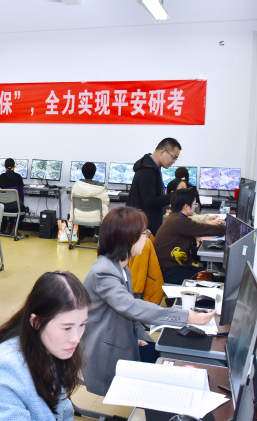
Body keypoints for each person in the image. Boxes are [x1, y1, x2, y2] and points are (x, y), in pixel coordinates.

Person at [81, 206, 215, 396]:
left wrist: (140, 337)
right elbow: (132, 307)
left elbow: (128, 313)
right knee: (173, 367)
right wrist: (187, 317)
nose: (148, 237)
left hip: (125, 341)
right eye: (144, 232)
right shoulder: (103, 272)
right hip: (107, 354)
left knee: (170, 357)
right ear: (128, 238)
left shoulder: (120, 266)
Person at [0, 271, 90, 421]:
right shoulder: (4, 369)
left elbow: (62, 411)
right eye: (67, 328)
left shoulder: (50, 349)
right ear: (36, 322)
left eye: (82, 324)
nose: (76, 338)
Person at [154, 189, 226, 285]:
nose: (195, 207)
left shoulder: (175, 217)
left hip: (172, 267)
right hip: (170, 271)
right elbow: (203, 228)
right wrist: (226, 228)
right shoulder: (179, 221)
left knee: (210, 275)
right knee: (211, 280)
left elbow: (195, 228)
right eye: (194, 204)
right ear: (186, 206)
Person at [126, 137, 181, 235]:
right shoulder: (147, 171)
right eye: (174, 157)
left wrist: (165, 203)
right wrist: (175, 196)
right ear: (163, 151)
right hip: (143, 227)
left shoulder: (153, 168)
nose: (174, 161)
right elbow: (149, 201)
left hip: (146, 223)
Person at [70, 162, 110, 237]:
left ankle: (79, 235)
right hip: (96, 217)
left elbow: (72, 199)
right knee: (102, 209)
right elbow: (106, 202)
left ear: (82, 172)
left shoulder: (76, 186)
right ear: (94, 172)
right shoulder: (100, 188)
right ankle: (97, 234)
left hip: (78, 216)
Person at [0, 158, 26, 235]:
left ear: (5, 166)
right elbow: (21, 193)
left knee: (11, 206)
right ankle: (14, 228)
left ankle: (8, 226)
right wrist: (21, 204)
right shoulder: (18, 177)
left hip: (5, 206)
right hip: (15, 205)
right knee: (22, 209)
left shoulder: (1, 177)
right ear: (14, 166)